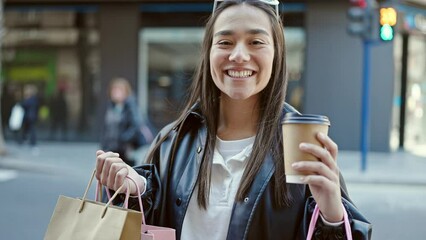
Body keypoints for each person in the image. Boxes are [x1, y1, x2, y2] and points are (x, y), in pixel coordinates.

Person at [95, 1, 372, 239]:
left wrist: (332, 215)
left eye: (256, 42)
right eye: (225, 42)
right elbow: (153, 219)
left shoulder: (301, 145)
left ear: (277, 53)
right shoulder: (173, 140)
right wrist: (135, 188)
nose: (239, 55)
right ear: (209, 53)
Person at [100, 77, 143, 167]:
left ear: (125, 92)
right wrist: (104, 145)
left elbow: (136, 126)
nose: (115, 93)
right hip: (111, 148)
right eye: (114, 90)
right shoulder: (111, 107)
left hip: (124, 151)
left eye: (119, 90)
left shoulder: (130, 106)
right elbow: (106, 128)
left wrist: (124, 139)